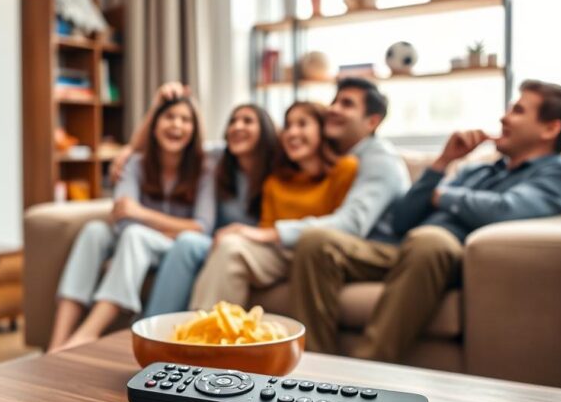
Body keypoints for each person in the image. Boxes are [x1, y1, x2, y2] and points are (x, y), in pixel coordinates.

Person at [288, 80, 561, 362]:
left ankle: (369, 369)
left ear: (550, 128)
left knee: (429, 239)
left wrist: (441, 196)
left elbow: (506, 207)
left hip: (450, 253)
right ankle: (318, 367)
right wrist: (443, 162)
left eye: (518, 110)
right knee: (317, 240)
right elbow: (402, 220)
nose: (504, 118)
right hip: (403, 248)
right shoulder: (478, 170)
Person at [48, 91, 215, 352]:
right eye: (169, 117)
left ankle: (89, 333)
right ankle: (57, 343)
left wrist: (142, 213)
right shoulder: (134, 164)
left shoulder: (205, 169)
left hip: (172, 248)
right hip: (135, 239)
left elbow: (202, 226)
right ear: (154, 124)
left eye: (185, 119)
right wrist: (163, 223)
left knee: (136, 235)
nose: (177, 125)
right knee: (94, 230)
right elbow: (124, 220)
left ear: (194, 129)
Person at [189, 101, 359, 308]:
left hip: (318, 255)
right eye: (288, 126)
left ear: (322, 130)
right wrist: (240, 234)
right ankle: (202, 333)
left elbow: (343, 226)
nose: (292, 133)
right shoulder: (275, 182)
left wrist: (269, 233)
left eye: (302, 124)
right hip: (280, 254)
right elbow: (265, 231)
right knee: (230, 246)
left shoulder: (345, 170)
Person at [141, 99, 281, 316]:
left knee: (191, 241)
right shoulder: (218, 159)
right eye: (232, 121)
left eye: (247, 121)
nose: (237, 127)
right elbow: (182, 146)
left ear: (265, 131)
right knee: (187, 242)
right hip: (215, 242)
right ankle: (152, 326)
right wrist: (126, 153)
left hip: (252, 249)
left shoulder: (278, 170)